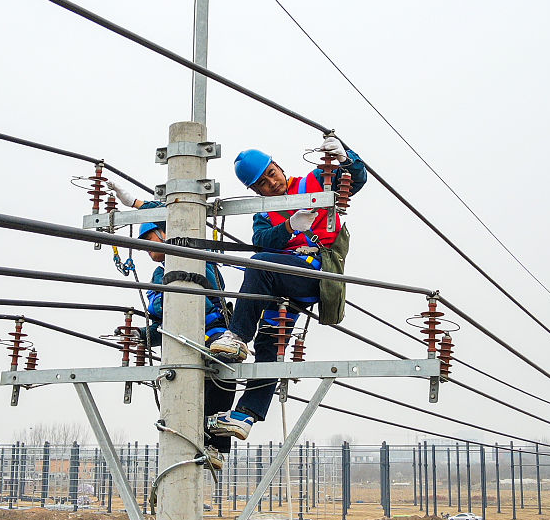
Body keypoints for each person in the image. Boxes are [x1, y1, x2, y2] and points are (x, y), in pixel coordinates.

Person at [205, 134, 367, 441]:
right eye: (262, 183)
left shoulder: (313, 182)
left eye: (271, 174)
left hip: (315, 273)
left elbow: (354, 180)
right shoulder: (264, 213)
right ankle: (245, 415)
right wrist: (290, 226)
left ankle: (237, 335)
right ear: (254, 190)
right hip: (284, 282)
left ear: (278, 167)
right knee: (270, 340)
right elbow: (262, 240)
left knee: (260, 265)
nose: (271, 183)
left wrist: (346, 157)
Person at [105, 184, 234, 469]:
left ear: (165, 233)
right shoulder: (158, 273)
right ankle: (195, 440)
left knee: (223, 375)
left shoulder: (200, 258)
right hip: (179, 341)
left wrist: (139, 204)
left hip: (212, 332)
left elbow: (209, 292)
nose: (150, 249)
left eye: (151, 238)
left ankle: (216, 444)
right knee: (185, 394)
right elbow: (161, 318)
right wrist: (142, 334)